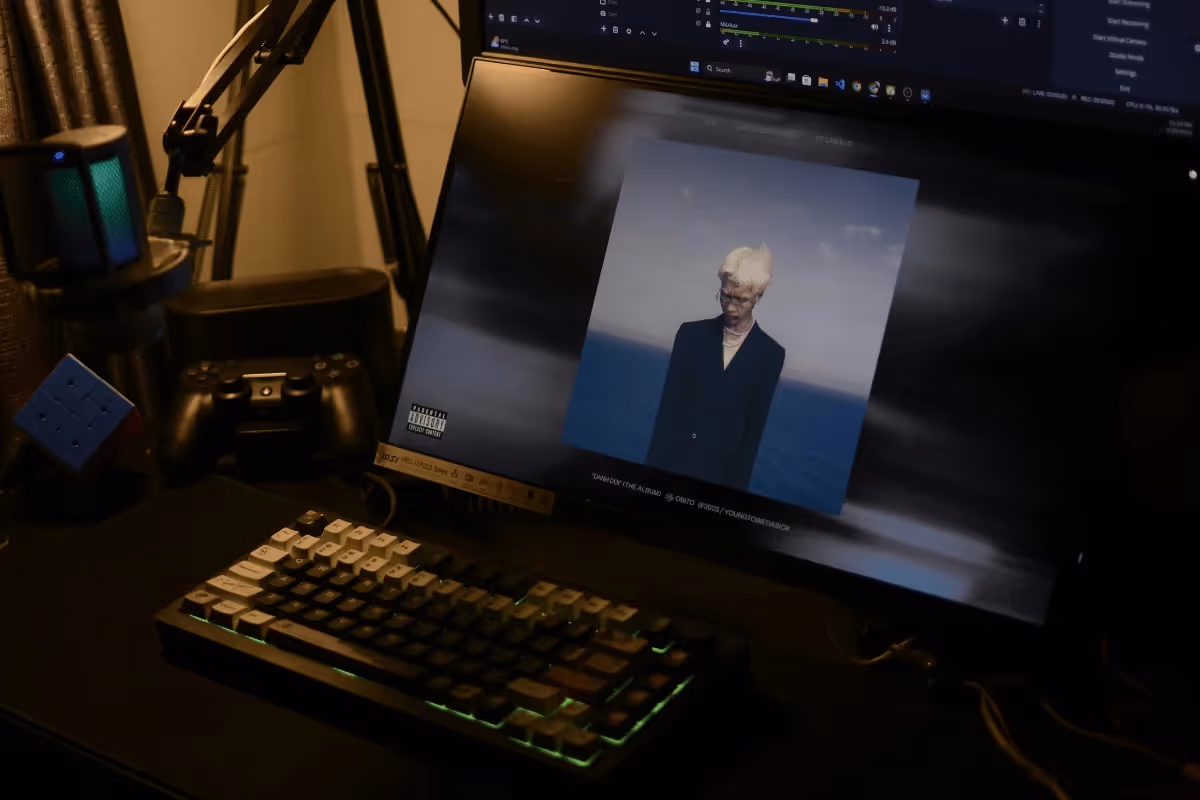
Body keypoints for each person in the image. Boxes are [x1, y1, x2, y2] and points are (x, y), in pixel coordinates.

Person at [645, 244, 785, 491]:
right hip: (671, 466)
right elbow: (667, 412)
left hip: (719, 480)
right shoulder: (689, 334)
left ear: (758, 297)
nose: (730, 306)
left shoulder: (771, 355)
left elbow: (751, 436)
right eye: (725, 295)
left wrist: (733, 497)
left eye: (740, 299)